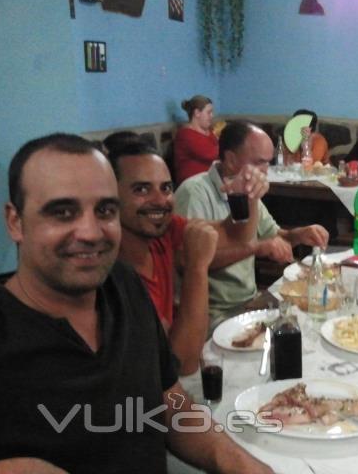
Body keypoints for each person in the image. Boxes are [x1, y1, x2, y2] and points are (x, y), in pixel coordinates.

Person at [0, 133, 271, 473]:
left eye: (105, 210)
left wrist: (238, 464)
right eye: (63, 212)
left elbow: (169, 404)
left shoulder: (124, 285)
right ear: (15, 221)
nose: (90, 232)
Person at [107, 140, 267, 375]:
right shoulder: (114, 275)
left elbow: (236, 235)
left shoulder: (164, 230)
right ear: (110, 196)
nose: (160, 200)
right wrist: (197, 266)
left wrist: (247, 196)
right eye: (141, 189)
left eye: (166, 188)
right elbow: (182, 363)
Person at [174, 121, 329, 328]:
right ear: (230, 159)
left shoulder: (248, 190)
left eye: (268, 162)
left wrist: (300, 234)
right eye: (259, 163)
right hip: (213, 313)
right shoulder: (194, 192)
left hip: (250, 301)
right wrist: (255, 248)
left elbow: (274, 237)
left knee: (313, 320)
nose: (265, 171)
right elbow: (189, 261)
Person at [174, 95, 219, 186]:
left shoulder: (207, 132)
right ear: (197, 113)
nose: (212, 116)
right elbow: (212, 153)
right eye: (209, 112)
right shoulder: (185, 134)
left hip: (207, 182)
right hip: (192, 186)